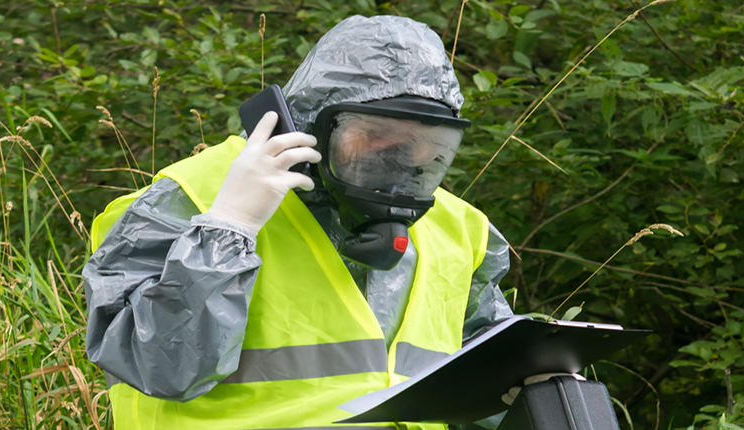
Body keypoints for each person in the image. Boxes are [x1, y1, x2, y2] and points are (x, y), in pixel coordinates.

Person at [83, 15, 532, 430]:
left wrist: (535, 379)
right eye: (375, 138)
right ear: (308, 125)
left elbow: (488, 379)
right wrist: (227, 227)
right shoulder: (190, 197)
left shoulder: (457, 226)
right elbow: (160, 365)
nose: (402, 164)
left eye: (426, 147)